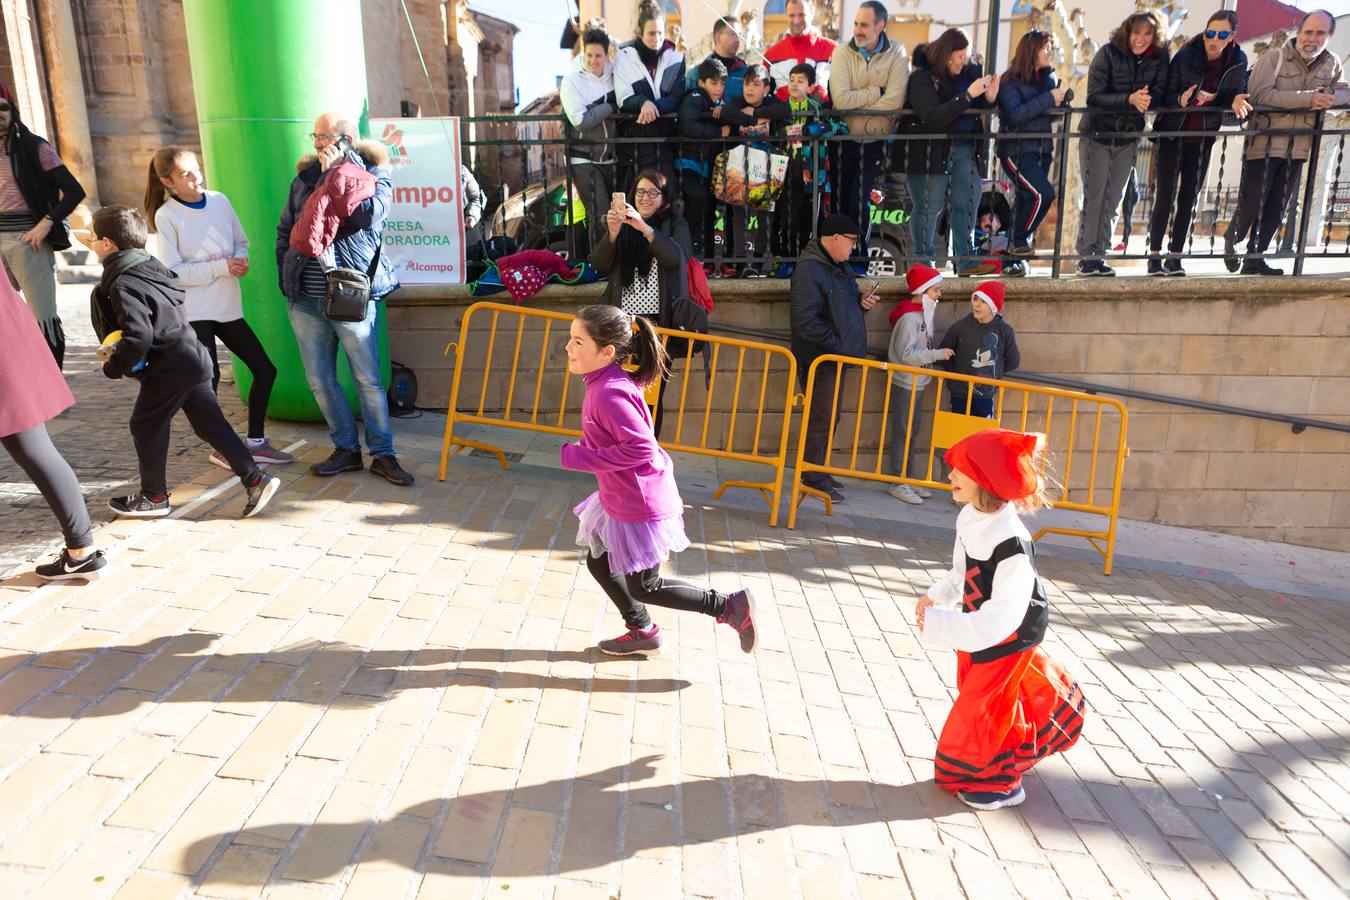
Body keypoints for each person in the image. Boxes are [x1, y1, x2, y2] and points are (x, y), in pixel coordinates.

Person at [560, 304, 756, 657]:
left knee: (646, 586)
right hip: (621, 496)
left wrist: (580, 456)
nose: (568, 349)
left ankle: (728, 607)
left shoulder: (609, 392)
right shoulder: (603, 383)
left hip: (641, 503)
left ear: (606, 352)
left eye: (577, 342)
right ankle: (642, 629)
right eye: (570, 340)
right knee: (598, 559)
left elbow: (640, 449)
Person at [915, 428, 1086, 810]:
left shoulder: (1012, 542)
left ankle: (1000, 780)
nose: (950, 476)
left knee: (983, 703)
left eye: (959, 470)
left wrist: (946, 626)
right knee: (980, 691)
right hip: (977, 622)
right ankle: (1012, 746)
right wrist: (936, 597)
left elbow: (1006, 614)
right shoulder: (968, 516)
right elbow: (962, 571)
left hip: (1009, 632)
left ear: (985, 479)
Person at [86, 206, 280, 520]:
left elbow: (139, 336)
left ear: (108, 244)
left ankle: (154, 497)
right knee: (209, 425)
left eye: (93, 240)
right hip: (194, 356)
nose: (91, 245)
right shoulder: (152, 268)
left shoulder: (123, 283)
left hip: (171, 367)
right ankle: (256, 480)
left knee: (145, 425)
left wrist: (114, 367)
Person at [277, 112, 413, 486]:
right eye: (315, 136)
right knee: (320, 379)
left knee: (367, 380)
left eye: (325, 137)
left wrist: (336, 174)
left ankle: (383, 455)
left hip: (352, 296)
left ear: (347, 139)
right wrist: (284, 276)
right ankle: (346, 449)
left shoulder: (376, 175)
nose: (317, 143)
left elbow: (369, 216)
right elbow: (285, 229)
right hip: (306, 297)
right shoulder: (303, 180)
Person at [145, 147, 292, 469]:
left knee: (265, 370)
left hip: (228, 307)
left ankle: (256, 442)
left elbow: (242, 241)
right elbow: (175, 272)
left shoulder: (220, 201)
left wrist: (241, 259)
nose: (195, 177)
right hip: (196, 312)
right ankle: (222, 448)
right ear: (168, 181)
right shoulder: (167, 215)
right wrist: (222, 267)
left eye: (196, 168)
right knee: (206, 386)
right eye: (185, 173)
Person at [0, 264, 105, 580]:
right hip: (9, 337)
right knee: (36, 449)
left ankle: (81, 550)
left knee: (35, 450)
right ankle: (81, 550)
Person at [1225, 9, 1349, 276]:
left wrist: (1328, 98)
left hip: (1299, 146)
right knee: (1252, 201)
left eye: (1320, 33)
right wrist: (1308, 99)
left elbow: (1344, 93)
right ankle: (1232, 238)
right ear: (1299, 32)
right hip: (1264, 143)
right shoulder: (1274, 57)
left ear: (1329, 36)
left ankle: (1254, 258)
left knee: (1276, 207)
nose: (1312, 39)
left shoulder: (1332, 62)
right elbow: (1260, 95)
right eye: (1308, 32)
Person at [591, 169, 691, 439]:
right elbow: (599, 264)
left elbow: (676, 259)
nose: (645, 198)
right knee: (616, 393)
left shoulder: (674, 225)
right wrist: (612, 233)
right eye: (640, 192)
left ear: (664, 197)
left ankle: (645, 451)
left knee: (650, 396)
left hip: (656, 327)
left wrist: (645, 229)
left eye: (653, 193)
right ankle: (619, 448)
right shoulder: (620, 225)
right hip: (622, 324)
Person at [1149, 11, 1250, 276]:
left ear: (1232, 37)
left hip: (1203, 138)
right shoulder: (1186, 55)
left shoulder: (1238, 61)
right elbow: (1164, 97)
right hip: (1173, 134)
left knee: (1188, 199)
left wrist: (1235, 103)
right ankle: (1154, 256)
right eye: (1210, 33)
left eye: (1221, 35)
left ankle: (1175, 257)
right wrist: (1178, 101)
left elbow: (1231, 106)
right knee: (1165, 196)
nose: (1214, 40)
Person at [789, 214, 878, 503]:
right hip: (822, 359)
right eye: (852, 241)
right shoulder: (810, 270)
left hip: (833, 358)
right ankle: (812, 477)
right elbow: (805, 321)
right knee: (821, 420)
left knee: (830, 419)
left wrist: (860, 306)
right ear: (835, 239)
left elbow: (840, 310)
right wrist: (837, 346)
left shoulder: (839, 267)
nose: (854, 247)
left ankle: (818, 472)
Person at [1075, 10, 1168, 277]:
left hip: (1128, 138)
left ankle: (1100, 255)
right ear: (1127, 32)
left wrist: (1150, 99)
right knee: (1095, 198)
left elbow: (1161, 91)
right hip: (1097, 135)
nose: (1141, 39)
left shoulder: (1159, 58)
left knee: (1114, 199)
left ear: (1155, 35)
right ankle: (1086, 258)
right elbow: (1094, 96)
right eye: (1136, 32)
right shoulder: (1107, 53)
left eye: (1147, 33)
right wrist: (1128, 99)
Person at [0, 82, 86, 368]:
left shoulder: (34, 146)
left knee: (44, 317)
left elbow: (74, 190)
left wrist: (46, 224)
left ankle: (52, 386)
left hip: (28, 242)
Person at [901, 28, 1000, 277]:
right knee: (928, 205)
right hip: (930, 150)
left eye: (966, 55)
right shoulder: (922, 79)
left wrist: (989, 98)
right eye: (960, 56)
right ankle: (924, 263)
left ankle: (965, 259)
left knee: (967, 200)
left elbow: (978, 103)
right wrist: (967, 95)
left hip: (964, 146)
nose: (965, 61)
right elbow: (933, 116)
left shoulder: (970, 74)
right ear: (946, 55)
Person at [828, 0, 908, 236]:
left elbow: (894, 102)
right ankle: (842, 260)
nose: (857, 30)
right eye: (855, 23)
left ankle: (859, 259)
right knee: (841, 206)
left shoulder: (897, 53)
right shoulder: (842, 51)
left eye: (863, 25)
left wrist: (859, 101)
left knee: (859, 203)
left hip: (876, 142)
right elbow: (840, 101)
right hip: (843, 139)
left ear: (880, 25)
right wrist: (876, 92)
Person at [997, 29, 1068, 266]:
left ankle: (1011, 262)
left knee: (1027, 200)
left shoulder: (1048, 79)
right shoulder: (1010, 81)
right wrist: (1048, 99)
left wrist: (1059, 103)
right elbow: (1016, 114)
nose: (1050, 52)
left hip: (1042, 150)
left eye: (1051, 47)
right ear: (1031, 51)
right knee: (1044, 195)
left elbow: (1045, 117)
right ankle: (1019, 240)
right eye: (1045, 48)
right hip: (1016, 151)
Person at [886, 264, 954, 507]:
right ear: (923, 291)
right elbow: (905, 354)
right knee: (904, 431)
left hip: (917, 381)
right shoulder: (909, 319)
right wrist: (936, 355)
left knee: (912, 431)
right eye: (936, 291)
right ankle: (897, 480)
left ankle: (906, 477)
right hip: (907, 381)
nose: (939, 296)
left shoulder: (919, 315)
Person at [614, 2, 686, 192]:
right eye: (652, 33)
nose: (657, 38)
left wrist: (651, 106)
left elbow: (676, 96)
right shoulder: (624, 57)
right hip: (637, 142)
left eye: (661, 33)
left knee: (666, 197)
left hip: (665, 141)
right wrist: (642, 102)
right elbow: (623, 98)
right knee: (640, 198)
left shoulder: (676, 58)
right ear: (639, 32)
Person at [726, 64, 790, 275]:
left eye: (755, 84)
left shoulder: (773, 103)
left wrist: (756, 112)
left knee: (765, 215)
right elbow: (729, 112)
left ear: (766, 88)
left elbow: (785, 109)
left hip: (767, 169)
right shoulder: (736, 102)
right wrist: (751, 117)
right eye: (746, 84)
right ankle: (741, 261)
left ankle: (763, 259)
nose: (749, 89)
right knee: (739, 215)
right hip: (739, 167)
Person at [677, 58, 744, 259]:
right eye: (713, 83)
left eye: (722, 83)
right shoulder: (695, 97)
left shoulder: (715, 103)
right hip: (687, 161)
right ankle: (691, 251)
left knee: (704, 206)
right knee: (696, 201)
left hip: (702, 164)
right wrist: (718, 132)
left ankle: (699, 252)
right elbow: (688, 126)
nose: (719, 88)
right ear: (701, 83)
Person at [776, 63, 844, 259]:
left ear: (811, 87)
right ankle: (787, 259)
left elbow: (839, 128)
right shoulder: (781, 108)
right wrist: (788, 131)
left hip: (812, 172)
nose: (795, 84)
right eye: (792, 80)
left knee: (810, 219)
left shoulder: (817, 109)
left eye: (800, 81)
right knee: (788, 219)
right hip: (786, 171)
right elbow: (775, 131)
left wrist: (815, 129)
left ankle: (806, 259)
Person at [561, 27, 618, 252]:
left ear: (607, 55)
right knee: (601, 214)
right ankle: (600, 267)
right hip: (583, 157)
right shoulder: (572, 81)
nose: (594, 61)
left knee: (616, 215)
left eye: (599, 56)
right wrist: (609, 106)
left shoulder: (614, 74)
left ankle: (612, 265)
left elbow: (627, 51)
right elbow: (580, 121)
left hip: (610, 157)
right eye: (589, 55)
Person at [938, 281, 1019, 421]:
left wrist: (994, 372)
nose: (977, 304)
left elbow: (1013, 361)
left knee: (982, 440)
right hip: (959, 395)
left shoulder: (1004, 331)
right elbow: (942, 356)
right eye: (975, 299)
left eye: (983, 301)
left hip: (985, 397)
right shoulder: (959, 328)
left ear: (993, 307)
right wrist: (958, 374)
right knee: (957, 438)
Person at [764, 0, 836, 102]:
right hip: (783, 117)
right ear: (786, 15)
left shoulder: (832, 50)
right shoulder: (771, 55)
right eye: (792, 16)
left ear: (812, 12)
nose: (796, 21)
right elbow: (764, 96)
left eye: (802, 15)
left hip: (821, 117)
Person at [686, 16, 748, 100]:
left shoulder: (745, 72)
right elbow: (688, 104)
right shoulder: (697, 73)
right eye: (733, 34)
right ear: (718, 38)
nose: (737, 40)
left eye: (739, 35)